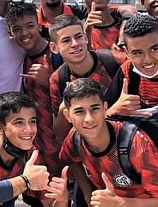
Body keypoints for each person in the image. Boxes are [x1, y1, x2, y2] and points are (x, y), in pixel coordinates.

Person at [59, 78, 158, 206]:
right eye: (79, 112)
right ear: (67, 116)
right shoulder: (74, 140)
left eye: (94, 109)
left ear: (105, 108)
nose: (88, 119)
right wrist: (88, 196)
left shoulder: (136, 145)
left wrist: (121, 204)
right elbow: (71, 161)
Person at [0, 91, 69, 207]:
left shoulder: (30, 155)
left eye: (32, 122)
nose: (29, 130)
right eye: (19, 122)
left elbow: (48, 203)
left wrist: (62, 200)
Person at [48, 14, 126, 142]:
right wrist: (63, 108)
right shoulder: (58, 79)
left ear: (85, 38)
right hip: (91, 151)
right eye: (66, 40)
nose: (75, 44)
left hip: (127, 142)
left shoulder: (117, 61)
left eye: (78, 37)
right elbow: (60, 134)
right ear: (54, 48)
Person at [5, 1, 61, 178]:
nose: (24, 33)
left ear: (39, 25)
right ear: (10, 33)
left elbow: (76, 96)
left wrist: (50, 81)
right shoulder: (20, 58)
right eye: (17, 29)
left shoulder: (57, 54)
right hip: (33, 148)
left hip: (60, 147)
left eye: (29, 26)